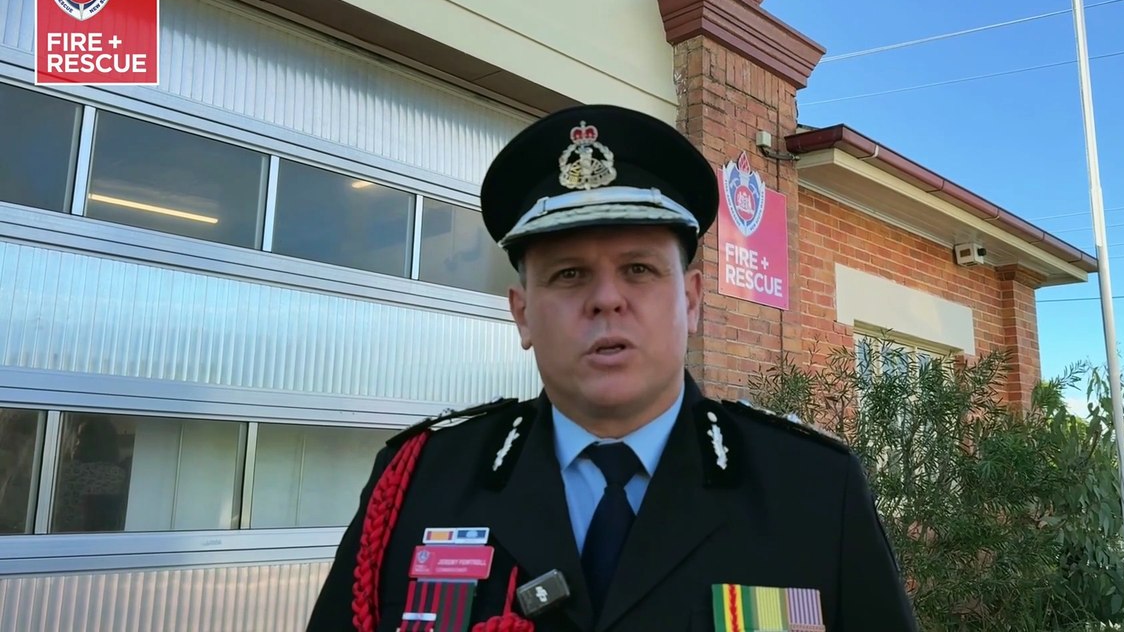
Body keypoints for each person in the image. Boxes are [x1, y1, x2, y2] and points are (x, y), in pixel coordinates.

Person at [306, 104, 918, 632]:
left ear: (692, 301)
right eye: (569, 274)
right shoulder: (417, 483)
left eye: (639, 269)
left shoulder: (813, 489)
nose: (606, 299)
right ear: (522, 314)